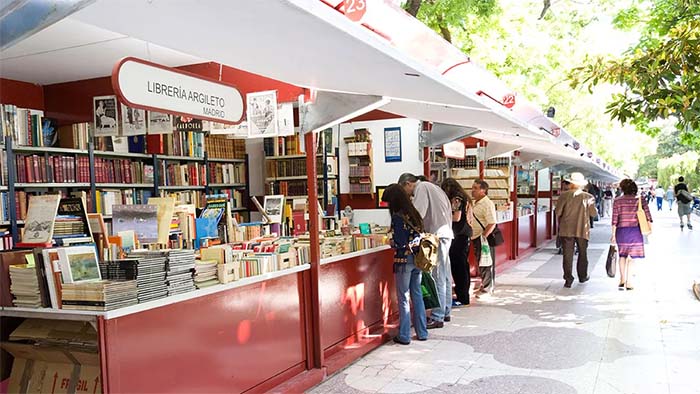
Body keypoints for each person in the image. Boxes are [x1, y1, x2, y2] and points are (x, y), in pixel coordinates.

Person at [398, 173, 453, 329]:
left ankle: (437, 316)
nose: (407, 195)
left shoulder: (421, 187)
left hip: (436, 236)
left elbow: (418, 214)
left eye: (405, 190)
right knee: (445, 275)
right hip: (446, 233)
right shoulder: (434, 187)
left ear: (408, 184)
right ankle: (446, 310)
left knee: (437, 276)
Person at [382, 184, 428, 344]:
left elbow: (399, 242)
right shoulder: (413, 213)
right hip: (417, 259)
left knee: (403, 297)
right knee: (417, 295)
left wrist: (388, 241)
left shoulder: (397, 216)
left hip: (403, 260)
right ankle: (422, 332)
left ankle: (404, 335)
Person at [555, 172, 598, 288]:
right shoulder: (588, 197)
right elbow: (593, 213)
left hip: (566, 229)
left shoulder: (564, 196)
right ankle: (582, 276)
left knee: (567, 255)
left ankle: (568, 279)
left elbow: (558, 212)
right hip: (582, 230)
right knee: (583, 253)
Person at [611, 179, 652, 290]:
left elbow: (614, 219)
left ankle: (622, 279)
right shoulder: (640, 200)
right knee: (632, 257)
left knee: (622, 255)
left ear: (622, 189)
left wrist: (613, 234)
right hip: (635, 231)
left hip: (621, 231)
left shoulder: (617, 201)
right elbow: (648, 215)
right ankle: (629, 282)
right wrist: (649, 228)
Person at [441, 178, 473, 306]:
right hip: (464, 234)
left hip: (459, 236)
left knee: (458, 267)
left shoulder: (457, 198)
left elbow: (456, 217)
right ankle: (463, 295)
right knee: (463, 267)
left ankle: (462, 297)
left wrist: (442, 216)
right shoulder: (464, 197)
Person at [470, 180, 497, 296]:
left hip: (483, 238)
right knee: (481, 261)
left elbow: (492, 223)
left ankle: (487, 288)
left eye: (475, 188)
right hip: (475, 237)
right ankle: (485, 285)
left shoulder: (487, 204)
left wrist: (484, 237)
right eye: (473, 188)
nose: (472, 190)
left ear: (483, 190)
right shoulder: (475, 203)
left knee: (486, 262)